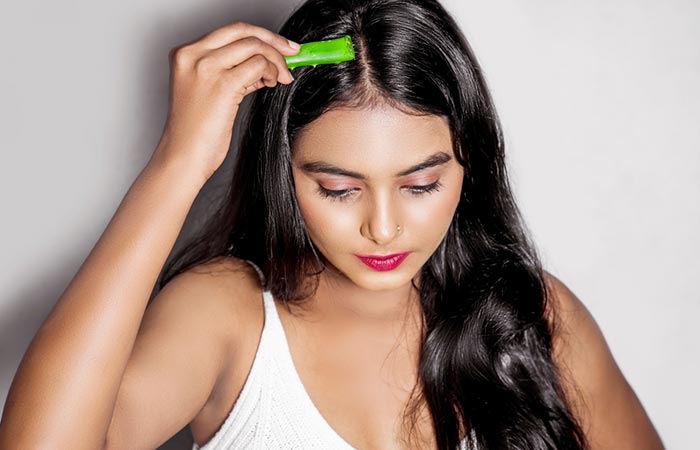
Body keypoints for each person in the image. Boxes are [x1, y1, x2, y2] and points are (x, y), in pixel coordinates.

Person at [0, 0, 665, 449]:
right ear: (285, 172)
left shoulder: (530, 313)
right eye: (339, 188)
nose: (384, 228)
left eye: (422, 184)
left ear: (471, 163)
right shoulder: (228, 316)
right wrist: (178, 165)